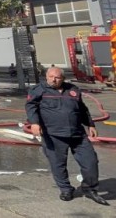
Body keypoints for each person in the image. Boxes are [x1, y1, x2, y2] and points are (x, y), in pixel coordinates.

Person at [25, 67, 108, 205]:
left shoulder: (72, 89)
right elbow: (31, 107)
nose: (53, 79)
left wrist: (90, 124)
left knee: (91, 161)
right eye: (51, 76)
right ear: (46, 77)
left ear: (62, 78)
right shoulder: (38, 90)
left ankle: (89, 188)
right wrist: (34, 123)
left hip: (77, 134)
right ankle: (66, 189)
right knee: (58, 164)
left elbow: (82, 108)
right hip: (53, 135)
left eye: (57, 77)